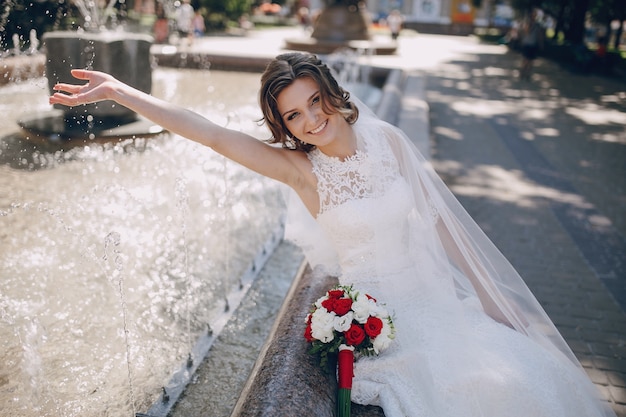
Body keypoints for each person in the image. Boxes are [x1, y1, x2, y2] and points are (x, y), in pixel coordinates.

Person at [49, 52, 616, 417]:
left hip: (439, 300)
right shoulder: (302, 172)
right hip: (386, 319)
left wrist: (492, 303)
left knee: (521, 376)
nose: (310, 121)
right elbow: (215, 136)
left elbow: (442, 227)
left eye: (312, 103)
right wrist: (121, 92)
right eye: (293, 117)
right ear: (284, 127)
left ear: (330, 93)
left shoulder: (389, 142)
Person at [518, 10, 544, 80]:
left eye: (535, 15)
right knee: (525, 59)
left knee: (531, 61)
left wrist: (540, 43)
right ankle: (522, 72)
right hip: (526, 43)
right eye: (533, 15)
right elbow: (524, 32)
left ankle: (527, 74)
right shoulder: (526, 23)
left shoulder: (537, 25)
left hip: (532, 44)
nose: (534, 17)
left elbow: (539, 35)